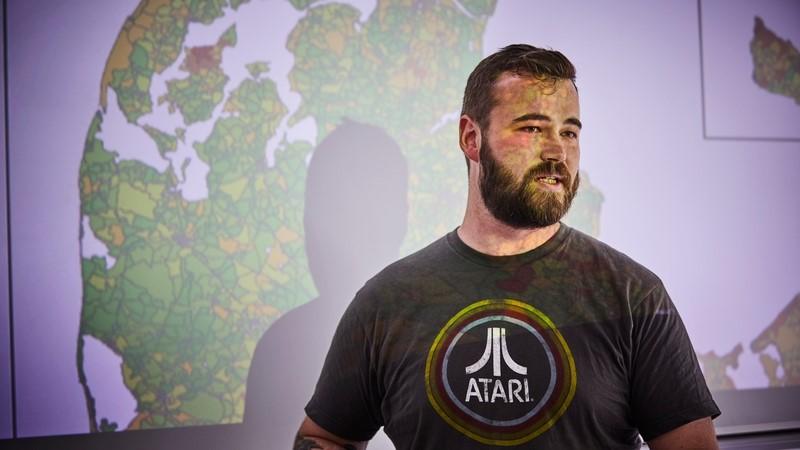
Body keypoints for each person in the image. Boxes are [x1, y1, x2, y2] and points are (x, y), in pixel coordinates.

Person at [293, 44, 721, 449]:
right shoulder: (386, 302)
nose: (557, 151)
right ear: (471, 138)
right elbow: (326, 437)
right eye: (532, 128)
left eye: (569, 132)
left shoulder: (633, 295)